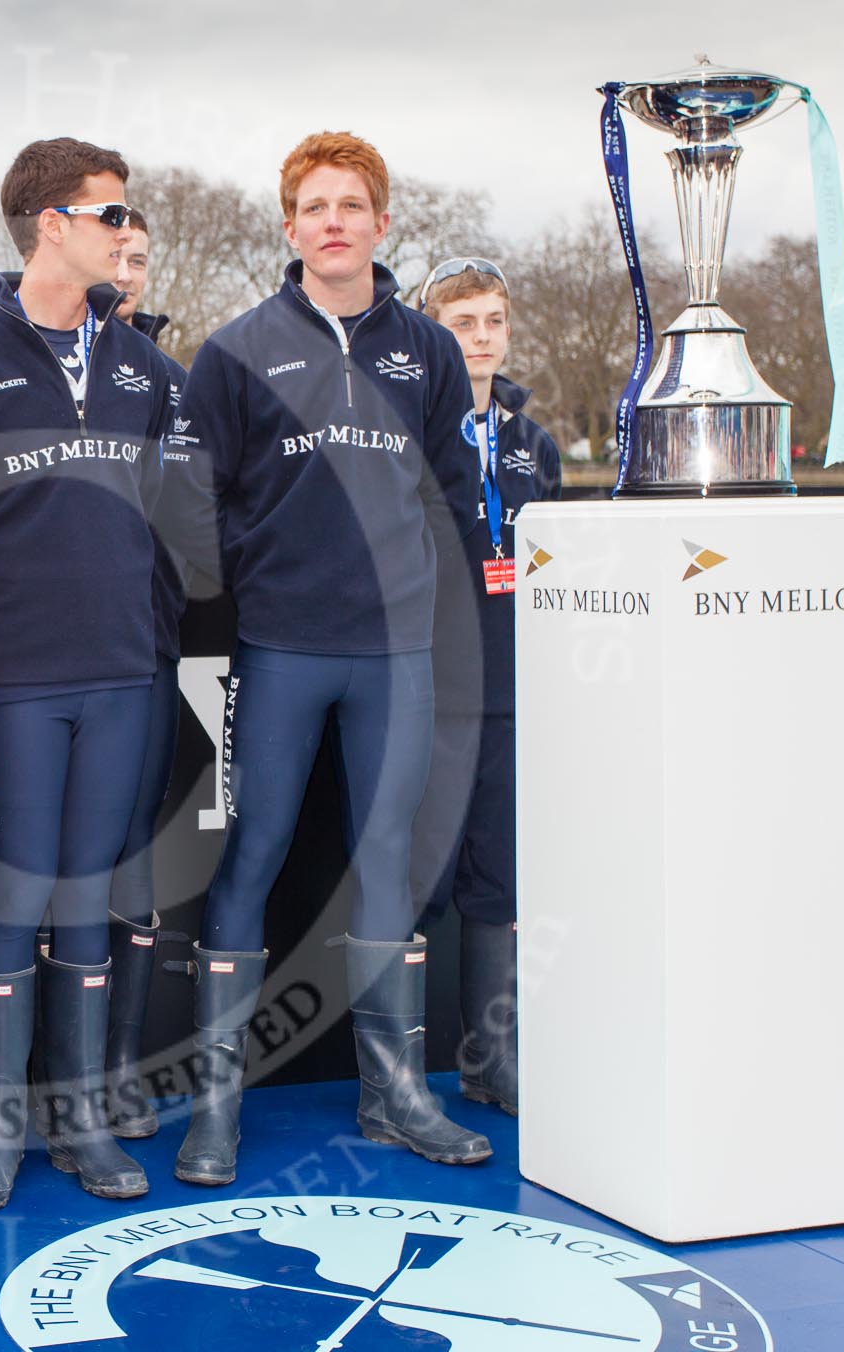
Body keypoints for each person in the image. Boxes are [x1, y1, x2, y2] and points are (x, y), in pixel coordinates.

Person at [157, 130, 485, 1184]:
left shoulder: (427, 352)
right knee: (252, 855)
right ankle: (215, 1109)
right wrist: (253, 573)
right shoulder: (238, 347)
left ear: (382, 224)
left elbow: (449, 502)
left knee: (388, 861)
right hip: (284, 646)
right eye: (314, 205)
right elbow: (189, 499)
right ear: (290, 225)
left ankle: (397, 1094)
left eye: (352, 204)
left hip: (396, 651)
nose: (333, 221)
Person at [0, 138, 175, 1210]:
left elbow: (174, 527)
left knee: (85, 899)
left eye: (126, 213)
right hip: (15, 679)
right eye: (108, 212)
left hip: (122, 673)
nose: (127, 229)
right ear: (49, 224)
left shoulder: (146, 369)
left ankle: (77, 1114)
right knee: (17, 891)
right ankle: (2, 1121)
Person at [411, 256, 562, 1117]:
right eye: (462, 322)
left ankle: (489, 1063)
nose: (480, 338)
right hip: (428, 693)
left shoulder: (533, 443)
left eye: (493, 321)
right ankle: (389, 1080)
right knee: (414, 884)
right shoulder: (414, 431)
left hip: (511, 694)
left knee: (499, 885)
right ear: (433, 330)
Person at [103, 207, 191, 1138]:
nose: (125, 272)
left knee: (132, 856)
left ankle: (115, 1068)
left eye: (138, 260)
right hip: (42, 667)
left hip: (150, 650)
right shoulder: (21, 359)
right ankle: (47, 1077)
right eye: (113, 254)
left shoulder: (171, 381)